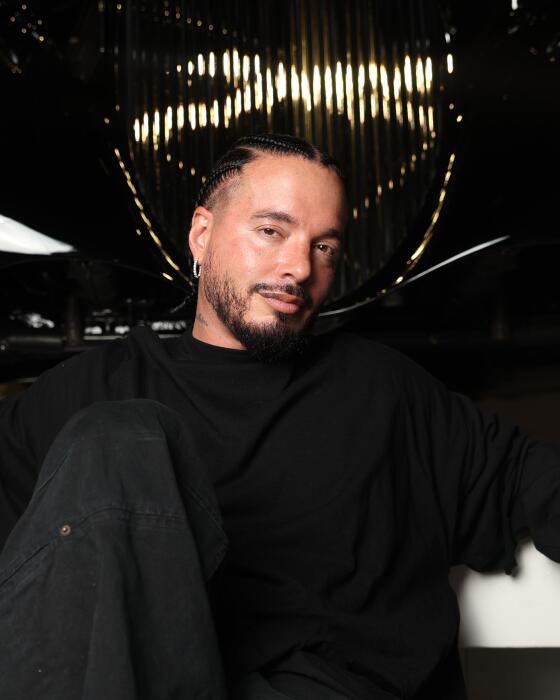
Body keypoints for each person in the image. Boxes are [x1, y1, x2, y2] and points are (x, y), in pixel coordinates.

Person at [0, 133, 559, 700]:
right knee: (119, 438)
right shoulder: (89, 396)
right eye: (272, 231)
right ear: (202, 233)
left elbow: (530, 479)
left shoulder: (387, 392)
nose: (298, 267)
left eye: (325, 248)